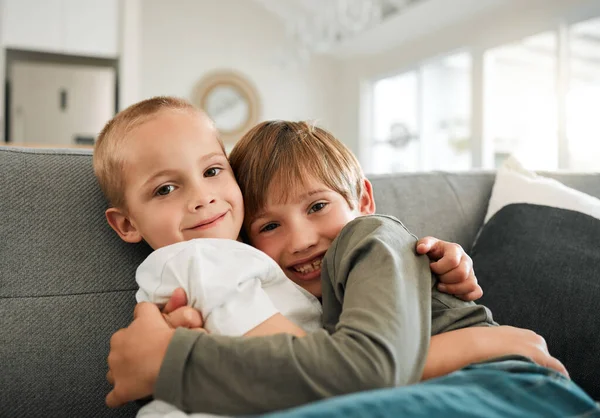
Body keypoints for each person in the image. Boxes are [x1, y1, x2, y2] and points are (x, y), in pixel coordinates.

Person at [105, 117, 598, 417]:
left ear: (362, 198)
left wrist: (171, 364)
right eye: (268, 226)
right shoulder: (281, 292)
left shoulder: (369, 235)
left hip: (502, 389)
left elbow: (369, 367)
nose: (299, 240)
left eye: (317, 207)